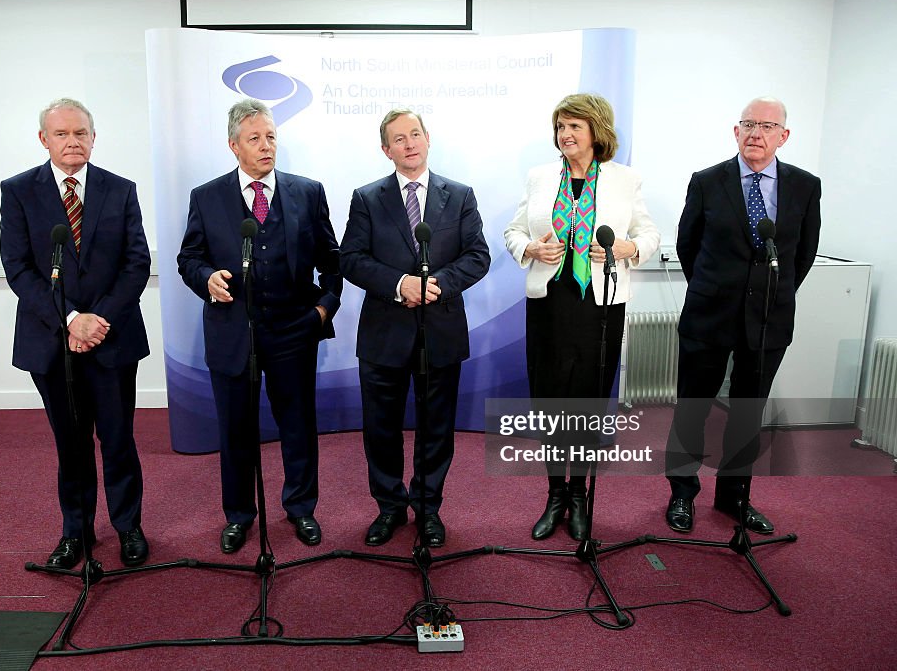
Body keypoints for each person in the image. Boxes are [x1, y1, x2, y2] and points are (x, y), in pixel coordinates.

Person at [178, 99, 342, 554]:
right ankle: (239, 515)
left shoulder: (308, 192)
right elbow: (188, 258)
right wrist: (206, 279)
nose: (266, 146)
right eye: (255, 139)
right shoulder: (206, 197)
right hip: (233, 332)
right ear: (234, 145)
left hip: (294, 329)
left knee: (298, 424)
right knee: (235, 430)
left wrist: (324, 309)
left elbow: (332, 260)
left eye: (271, 136)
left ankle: (301, 508)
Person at [0, 98, 151, 568]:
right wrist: (69, 320)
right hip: (51, 342)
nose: (73, 142)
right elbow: (19, 268)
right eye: (62, 134)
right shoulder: (20, 191)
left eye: (81, 133)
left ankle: (128, 527)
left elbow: (136, 263)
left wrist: (96, 321)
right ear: (43, 139)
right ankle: (76, 532)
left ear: (93, 136)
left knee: (118, 440)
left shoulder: (120, 190)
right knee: (71, 443)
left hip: (111, 339)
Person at [504, 93, 661, 541]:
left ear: (596, 131)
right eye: (560, 127)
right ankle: (555, 494)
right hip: (550, 303)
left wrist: (628, 249)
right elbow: (514, 231)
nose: (565, 135)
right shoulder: (539, 177)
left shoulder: (624, 180)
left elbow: (647, 234)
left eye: (574, 126)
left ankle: (579, 495)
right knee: (550, 401)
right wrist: (530, 248)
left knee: (588, 402)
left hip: (601, 306)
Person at [664, 96, 821, 534]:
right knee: (692, 409)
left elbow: (801, 256)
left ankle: (734, 497)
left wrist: (765, 295)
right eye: (748, 124)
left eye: (767, 126)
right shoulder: (707, 181)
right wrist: (716, 289)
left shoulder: (806, 186)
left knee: (748, 413)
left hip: (768, 319)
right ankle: (681, 491)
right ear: (736, 132)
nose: (756, 133)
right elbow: (687, 246)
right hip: (708, 316)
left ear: (783, 136)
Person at [340, 108, 490, 548]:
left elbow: (477, 256)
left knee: (436, 428)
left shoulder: (459, 195)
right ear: (386, 150)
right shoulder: (367, 198)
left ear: (428, 138)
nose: (410, 143)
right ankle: (389, 508)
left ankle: (428, 508)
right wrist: (399, 284)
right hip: (384, 332)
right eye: (399, 139)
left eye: (416, 134)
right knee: (381, 428)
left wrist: (438, 286)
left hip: (439, 330)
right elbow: (350, 258)